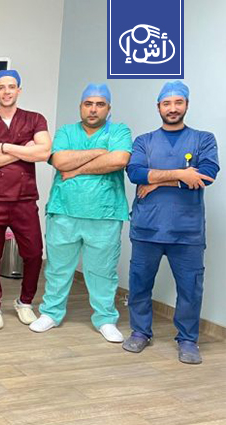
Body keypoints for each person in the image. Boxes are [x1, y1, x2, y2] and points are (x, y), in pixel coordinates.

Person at [123, 81, 219, 364]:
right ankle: (140, 332)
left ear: (186, 105)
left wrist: (159, 180)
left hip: (186, 231)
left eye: (178, 102)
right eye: (167, 103)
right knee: (139, 284)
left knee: (190, 288)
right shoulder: (144, 141)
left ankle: (188, 339)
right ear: (159, 107)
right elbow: (136, 173)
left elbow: (207, 175)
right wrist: (181, 174)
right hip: (147, 228)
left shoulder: (204, 139)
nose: (173, 108)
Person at [29, 83, 131, 342]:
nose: (93, 109)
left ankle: (105, 319)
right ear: (81, 107)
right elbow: (60, 161)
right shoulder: (66, 131)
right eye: (88, 104)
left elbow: (119, 160)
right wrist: (98, 153)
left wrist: (76, 169)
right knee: (58, 268)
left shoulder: (119, 130)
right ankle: (51, 313)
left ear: (109, 108)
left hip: (105, 213)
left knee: (103, 271)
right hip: (64, 211)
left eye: (100, 104)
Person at [0, 70, 52, 330]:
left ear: (19, 90)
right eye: (1, 87)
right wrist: (24, 151)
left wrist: (4, 147)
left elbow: (44, 152)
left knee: (34, 253)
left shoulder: (35, 119)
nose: (6, 91)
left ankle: (25, 302)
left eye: (11, 86)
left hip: (24, 199)